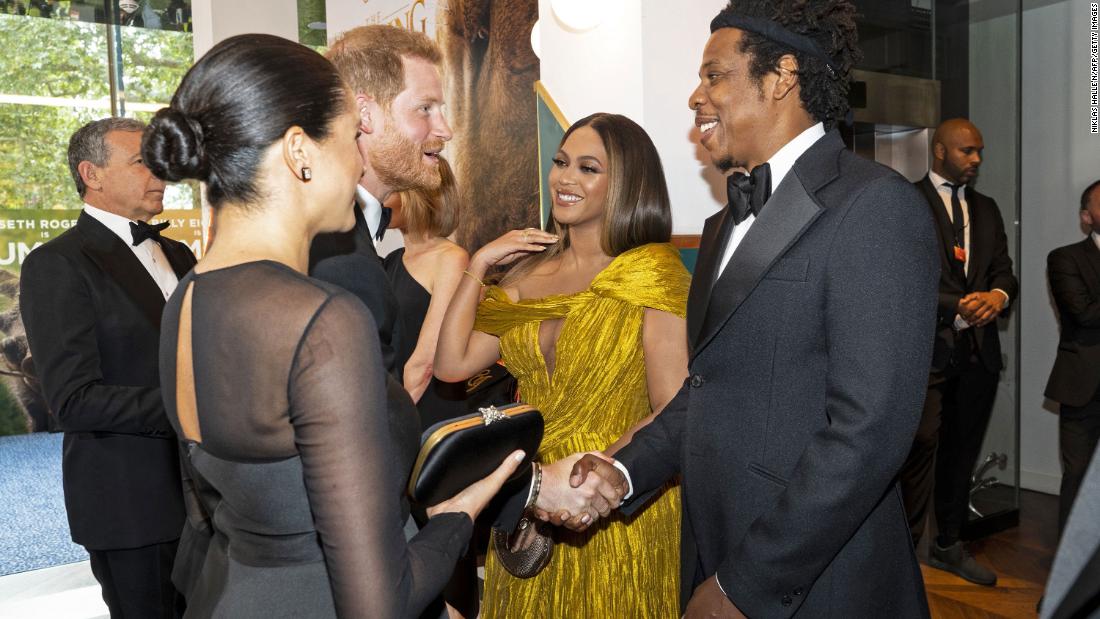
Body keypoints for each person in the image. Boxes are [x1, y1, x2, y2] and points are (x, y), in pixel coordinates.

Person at [560, 2, 940, 616]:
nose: (695, 96)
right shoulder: (719, 226)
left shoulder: (876, 208)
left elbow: (867, 436)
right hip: (715, 544)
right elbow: (707, 388)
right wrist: (623, 473)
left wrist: (745, 585)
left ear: (782, 76)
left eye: (714, 75)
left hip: (816, 579)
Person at [142, 33, 522, 618]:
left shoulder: (187, 298)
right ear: (300, 151)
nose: (356, 160)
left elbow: (215, 505)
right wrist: (457, 518)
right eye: (350, 138)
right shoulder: (321, 320)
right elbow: (378, 603)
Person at [435, 112, 690, 618]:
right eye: (561, 162)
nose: (565, 179)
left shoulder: (652, 272)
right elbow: (452, 364)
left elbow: (674, 406)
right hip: (532, 502)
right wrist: (478, 265)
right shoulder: (530, 272)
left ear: (626, 185)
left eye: (588, 168)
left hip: (614, 501)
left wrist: (593, 476)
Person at [20, 117, 197, 617]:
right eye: (143, 161)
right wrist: (194, 407)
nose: (159, 174)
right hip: (132, 504)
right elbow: (73, 399)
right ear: (91, 174)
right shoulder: (57, 264)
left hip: (208, 496)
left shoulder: (180, 254)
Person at [898, 118, 1018, 587]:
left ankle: (948, 544)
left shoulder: (986, 209)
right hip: (926, 353)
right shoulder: (906, 200)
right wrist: (959, 306)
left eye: (980, 151)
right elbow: (904, 275)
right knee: (918, 450)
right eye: (968, 151)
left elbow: (1004, 273)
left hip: (979, 354)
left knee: (962, 452)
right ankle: (902, 557)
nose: (977, 160)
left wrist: (999, 298)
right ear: (941, 151)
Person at [309, 24, 453, 382]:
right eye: (425, 109)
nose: (445, 130)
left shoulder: (342, 225)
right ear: (365, 115)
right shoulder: (332, 249)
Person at [382, 156, 469, 420]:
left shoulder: (451, 259)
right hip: (398, 405)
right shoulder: (391, 261)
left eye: (391, 188)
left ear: (418, 195)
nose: (381, 198)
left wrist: (389, 425)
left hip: (427, 414)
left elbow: (426, 362)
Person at [1045, 179, 1100, 533]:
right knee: (1079, 477)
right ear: (1086, 216)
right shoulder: (1065, 258)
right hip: (1086, 387)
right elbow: (1084, 314)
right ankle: (1069, 575)